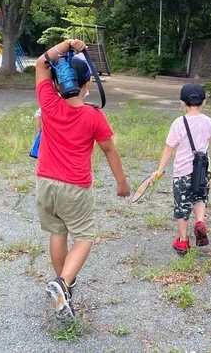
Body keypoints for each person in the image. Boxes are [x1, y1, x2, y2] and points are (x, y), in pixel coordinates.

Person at [35, 38, 130, 322]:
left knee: (58, 232)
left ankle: (65, 285)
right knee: (85, 237)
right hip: (75, 187)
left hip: (45, 184)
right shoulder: (93, 116)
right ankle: (63, 282)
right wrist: (121, 182)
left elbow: (41, 63)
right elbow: (109, 149)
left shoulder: (48, 102)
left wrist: (64, 45)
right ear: (88, 83)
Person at [151, 83, 211, 255]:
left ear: (182, 102)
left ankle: (183, 241)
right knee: (200, 197)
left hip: (182, 172)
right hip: (202, 171)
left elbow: (168, 148)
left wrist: (159, 170)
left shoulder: (178, 123)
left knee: (182, 207)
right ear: (204, 102)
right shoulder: (208, 122)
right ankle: (200, 221)